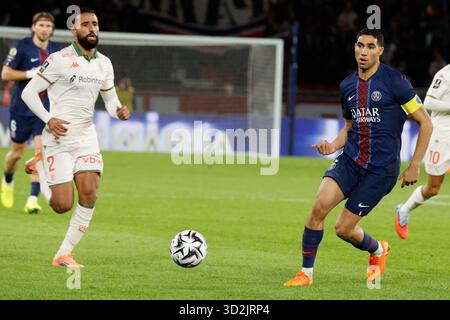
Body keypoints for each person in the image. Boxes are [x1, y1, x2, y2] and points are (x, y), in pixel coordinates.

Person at [284, 28, 433, 287]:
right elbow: (349, 128)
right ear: (354, 47)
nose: (363, 51)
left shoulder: (395, 82)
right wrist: (332, 145)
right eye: (360, 45)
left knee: (343, 229)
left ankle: (377, 249)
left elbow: (426, 122)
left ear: (380, 51)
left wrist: (414, 165)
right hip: (351, 160)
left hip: (381, 171)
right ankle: (305, 274)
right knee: (319, 207)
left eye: (370, 46)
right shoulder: (347, 86)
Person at [21, 8, 130, 268]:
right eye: (86, 24)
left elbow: (111, 101)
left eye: (95, 24)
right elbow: (28, 93)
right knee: (61, 205)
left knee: (89, 193)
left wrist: (119, 111)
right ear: (74, 30)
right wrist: (49, 119)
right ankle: (41, 163)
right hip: (58, 138)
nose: (92, 28)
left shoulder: (104, 63)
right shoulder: (59, 59)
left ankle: (63, 254)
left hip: (86, 137)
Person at [1, 12, 60, 214]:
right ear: (34, 27)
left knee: (39, 154)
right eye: (41, 25)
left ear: (52, 30)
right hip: (21, 108)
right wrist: (30, 74)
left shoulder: (56, 50)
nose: (45, 29)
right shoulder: (21, 46)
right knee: (16, 154)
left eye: (48, 26)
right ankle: (7, 181)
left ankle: (32, 199)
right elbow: (5, 73)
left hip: (43, 110)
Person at [395, 64, 450, 239]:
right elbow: (429, 102)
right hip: (443, 134)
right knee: (433, 188)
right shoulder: (445, 74)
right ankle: (404, 210)